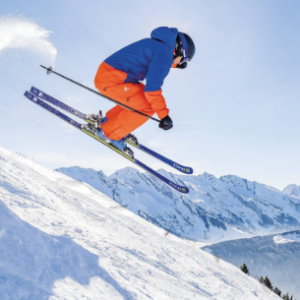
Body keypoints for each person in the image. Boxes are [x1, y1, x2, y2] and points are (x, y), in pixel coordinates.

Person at [93, 26, 196, 153]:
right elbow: (152, 88)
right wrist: (164, 116)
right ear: (180, 50)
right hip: (112, 79)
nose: (182, 63)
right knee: (146, 106)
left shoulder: (159, 46)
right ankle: (109, 133)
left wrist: (173, 63)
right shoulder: (163, 53)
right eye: (184, 59)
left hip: (112, 75)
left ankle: (110, 123)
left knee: (141, 98)